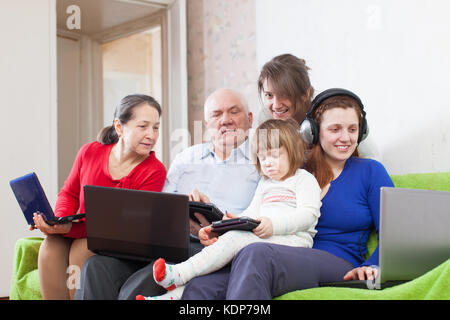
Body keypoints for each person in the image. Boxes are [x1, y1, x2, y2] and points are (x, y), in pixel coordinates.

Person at [181, 88, 394, 299]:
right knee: (203, 285)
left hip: (337, 262)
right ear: (314, 131)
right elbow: (261, 212)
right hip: (279, 251)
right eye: (335, 129)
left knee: (256, 254)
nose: (345, 137)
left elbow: (394, 232)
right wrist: (222, 229)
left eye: (352, 129)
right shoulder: (291, 170)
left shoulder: (370, 171)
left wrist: (371, 265)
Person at [75, 88, 260, 300]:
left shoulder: (263, 161)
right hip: (169, 242)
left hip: (212, 249)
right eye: (216, 115)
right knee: (95, 267)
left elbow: (265, 217)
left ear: (250, 118)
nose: (225, 120)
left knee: (138, 286)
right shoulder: (186, 157)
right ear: (207, 123)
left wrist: (221, 224)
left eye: (234, 112)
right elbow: (158, 208)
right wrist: (183, 220)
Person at [137, 119, 321, 300]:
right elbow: (252, 213)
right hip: (268, 238)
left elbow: (308, 215)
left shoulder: (303, 179)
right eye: (262, 157)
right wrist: (227, 224)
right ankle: (169, 297)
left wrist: (274, 225)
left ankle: (180, 272)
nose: (267, 163)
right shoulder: (266, 183)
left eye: (274, 155)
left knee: (235, 240)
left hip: (295, 242)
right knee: (219, 259)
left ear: (293, 152)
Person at [31, 94, 166, 300]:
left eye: (156, 127)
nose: (151, 135)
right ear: (119, 127)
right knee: (50, 246)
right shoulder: (89, 152)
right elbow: (70, 193)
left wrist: (71, 229)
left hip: (119, 241)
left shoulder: (154, 171)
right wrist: (59, 221)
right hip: (81, 230)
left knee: (82, 248)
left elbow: (125, 226)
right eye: (143, 126)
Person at [257, 53, 382, 161]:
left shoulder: (330, 108)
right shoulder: (265, 117)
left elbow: (374, 158)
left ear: (305, 94)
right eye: (269, 95)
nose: (276, 105)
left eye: (284, 95)